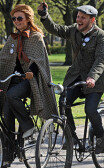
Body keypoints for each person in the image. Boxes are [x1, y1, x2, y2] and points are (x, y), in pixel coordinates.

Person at [38, 3, 104, 154]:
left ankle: (101, 136)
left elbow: (101, 60)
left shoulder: (102, 36)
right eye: (78, 16)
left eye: (83, 17)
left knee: (90, 110)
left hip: (93, 81)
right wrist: (45, 16)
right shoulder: (73, 30)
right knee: (63, 103)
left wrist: (92, 77)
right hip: (75, 77)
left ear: (92, 20)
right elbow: (55, 29)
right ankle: (72, 137)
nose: (79, 20)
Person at [0, 4, 57, 166]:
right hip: (12, 80)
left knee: (12, 95)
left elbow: (39, 60)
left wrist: (31, 71)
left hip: (30, 81)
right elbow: (3, 59)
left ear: (28, 19)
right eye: (14, 18)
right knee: (6, 115)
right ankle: (8, 155)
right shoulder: (12, 38)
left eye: (20, 18)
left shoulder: (36, 37)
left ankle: (27, 124)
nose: (16, 21)